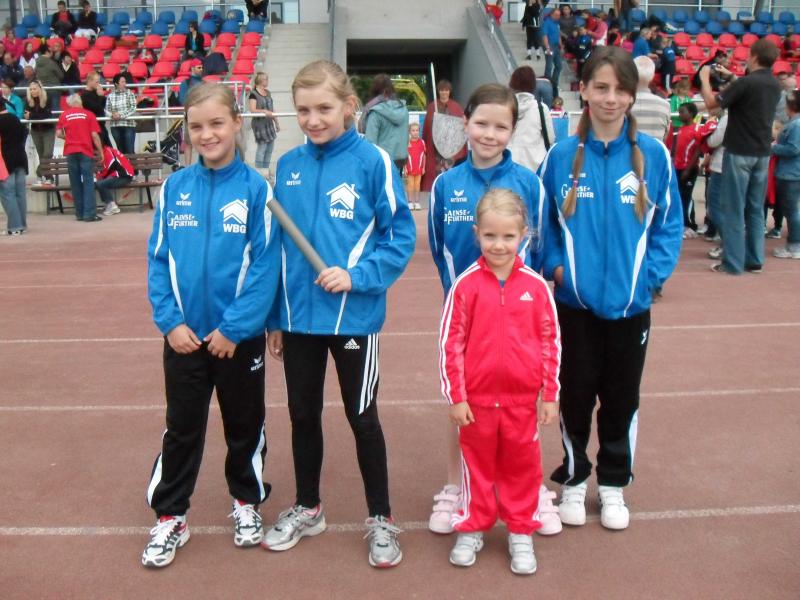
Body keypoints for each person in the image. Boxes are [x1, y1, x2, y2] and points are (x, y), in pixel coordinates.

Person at [262, 60, 415, 569]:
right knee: (302, 415)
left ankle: (381, 517)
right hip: (298, 321)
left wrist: (357, 275)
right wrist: (275, 317)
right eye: (303, 110)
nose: (313, 120)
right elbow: (277, 250)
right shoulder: (289, 165)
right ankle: (308, 508)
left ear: (349, 106)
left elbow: (399, 237)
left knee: (362, 417)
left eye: (324, 108)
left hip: (353, 319)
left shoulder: (373, 162)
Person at [539, 46, 682, 530]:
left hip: (630, 307)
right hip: (573, 307)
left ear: (633, 95)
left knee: (621, 398)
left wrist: (649, 277)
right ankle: (575, 478)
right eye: (600, 87)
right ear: (582, 90)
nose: (610, 98)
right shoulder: (560, 156)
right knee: (574, 396)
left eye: (621, 90)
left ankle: (614, 484)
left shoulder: (654, 156)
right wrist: (558, 270)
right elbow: (544, 226)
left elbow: (669, 225)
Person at [143, 83, 281, 568]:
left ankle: (246, 502)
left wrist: (235, 328)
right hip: (183, 339)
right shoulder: (174, 188)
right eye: (197, 126)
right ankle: (171, 516)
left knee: (244, 426)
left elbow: (265, 266)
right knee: (181, 429)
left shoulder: (257, 190)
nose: (207, 134)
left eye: (217, 123)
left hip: (237, 341)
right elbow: (158, 261)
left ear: (237, 123)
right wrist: (169, 322)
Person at [427, 83, 561, 539]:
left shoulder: (528, 184)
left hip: (518, 317)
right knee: (462, 402)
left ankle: (530, 489)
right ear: (465, 123)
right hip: (467, 316)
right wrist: (458, 299)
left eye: (500, 126)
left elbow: (538, 249)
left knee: (522, 405)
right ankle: (456, 487)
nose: (489, 134)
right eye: (481, 123)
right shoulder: (446, 185)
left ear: (512, 130)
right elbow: (440, 249)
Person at [440, 188, 560, 575]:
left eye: (508, 236)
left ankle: (521, 530)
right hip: (476, 402)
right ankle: (472, 525)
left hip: (522, 402)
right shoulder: (466, 285)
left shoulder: (536, 288)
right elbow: (451, 344)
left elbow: (550, 341)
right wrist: (457, 397)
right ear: (477, 233)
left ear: (523, 235)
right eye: (490, 235)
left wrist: (550, 394)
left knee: (522, 467)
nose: (498, 245)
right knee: (476, 466)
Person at [699, 39, 782, 274]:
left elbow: (712, 104)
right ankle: (754, 259)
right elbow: (749, 92)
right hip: (762, 152)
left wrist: (704, 79)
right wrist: (733, 78)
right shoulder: (774, 84)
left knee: (733, 208)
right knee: (755, 209)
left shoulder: (746, 83)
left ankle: (732, 262)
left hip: (739, 151)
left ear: (753, 56)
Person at [56, 94, 103, 222]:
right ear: (80, 102)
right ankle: (89, 214)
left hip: (70, 151)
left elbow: (59, 134)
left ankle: (79, 213)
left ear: (70, 103)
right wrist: (100, 151)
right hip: (85, 150)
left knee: (75, 183)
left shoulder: (64, 115)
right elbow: (94, 135)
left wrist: (70, 138)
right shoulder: (89, 114)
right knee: (88, 182)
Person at [421, 79, 466, 192]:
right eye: (442, 90)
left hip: (451, 146)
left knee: (450, 172)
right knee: (436, 172)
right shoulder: (432, 107)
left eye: (446, 90)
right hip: (435, 147)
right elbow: (428, 127)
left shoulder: (456, 107)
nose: (444, 92)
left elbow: (460, 128)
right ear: (438, 91)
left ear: (449, 91)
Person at [508, 65, 555, 173]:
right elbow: (550, 138)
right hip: (535, 166)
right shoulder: (541, 108)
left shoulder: (505, 108)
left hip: (509, 165)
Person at [770, 90, 800, 260]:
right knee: (791, 210)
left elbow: (794, 149)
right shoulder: (794, 124)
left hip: (791, 173)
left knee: (791, 210)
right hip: (790, 172)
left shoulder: (796, 125)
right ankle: (794, 243)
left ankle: (795, 245)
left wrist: (773, 147)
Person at [363, 74, 410, 174]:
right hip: (400, 160)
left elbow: (370, 144)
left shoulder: (375, 112)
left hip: (381, 162)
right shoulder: (404, 109)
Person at [0, 97, 29, 236]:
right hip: (21, 158)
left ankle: (14, 226)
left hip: (6, 161)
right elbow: (24, 134)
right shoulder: (16, 119)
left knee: (7, 194)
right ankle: (22, 224)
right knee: (20, 193)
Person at [673, 102, 701, 237]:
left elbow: (697, 151)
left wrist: (688, 169)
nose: (679, 115)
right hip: (678, 167)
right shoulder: (680, 129)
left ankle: (689, 225)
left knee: (687, 196)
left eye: (682, 112)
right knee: (680, 195)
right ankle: (684, 222)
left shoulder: (696, 129)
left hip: (688, 169)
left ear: (691, 113)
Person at [631, 56, 670, 142]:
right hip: (656, 149)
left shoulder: (624, 103)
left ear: (632, 74)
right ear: (652, 76)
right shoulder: (665, 105)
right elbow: (665, 136)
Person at [248, 71, 279, 181]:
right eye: (266, 79)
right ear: (261, 81)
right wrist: (264, 111)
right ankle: (259, 173)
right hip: (259, 125)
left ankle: (265, 171)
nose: (268, 81)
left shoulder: (268, 93)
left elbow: (272, 109)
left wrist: (277, 122)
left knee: (269, 149)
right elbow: (253, 110)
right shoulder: (253, 94)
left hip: (269, 124)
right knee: (262, 149)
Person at [24, 80, 55, 182]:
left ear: (40, 89)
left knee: (48, 154)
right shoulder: (28, 100)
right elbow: (26, 116)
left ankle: (39, 172)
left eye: (35, 89)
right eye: (31, 89)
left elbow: (46, 114)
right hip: (35, 130)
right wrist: (34, 116)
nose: (33, 91)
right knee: (41, 154)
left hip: (48, 129)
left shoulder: (47, 98)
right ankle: (48, 176)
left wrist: (32, 115)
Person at [179, 60, 205, 166]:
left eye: (201, 67)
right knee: (188, 143)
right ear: (192, 69)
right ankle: (188, 168)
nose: (201, 69)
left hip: (203, 118)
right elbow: (183, 100)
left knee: (204, 142)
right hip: (190, 117)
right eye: (199, 67)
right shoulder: (185, 83)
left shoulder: (205, 84)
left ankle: (204, 166)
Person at [95, 144, 133, 216]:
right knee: (100, 183)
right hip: (120, 175)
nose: (96, 156)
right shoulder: (108, 151)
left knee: (101, 184)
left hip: (124, 177)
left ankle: (112, 206)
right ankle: (109, 204)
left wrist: (99, 177)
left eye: (95, 153)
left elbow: (109, 169)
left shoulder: (108, 153)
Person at [105, 73, 137, 154]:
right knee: (120, 151)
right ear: (116, 83)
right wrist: (112, 115)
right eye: (122, 82)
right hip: (115, 126)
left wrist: (121, 115)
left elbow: (133, 108)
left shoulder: (130, 93)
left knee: (130, 151)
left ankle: (132, 162)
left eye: (125, 82)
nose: (124, 84)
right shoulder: (110, 96)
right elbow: (107, 109)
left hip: (128, 125)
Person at [80, 70, 110, 146]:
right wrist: (100, 96)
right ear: (90, 81)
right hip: (93, 127)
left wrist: (102, 96)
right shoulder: (84, 95)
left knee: (109, 149)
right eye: (96, 82)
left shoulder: (96, 92)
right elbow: (96, 108)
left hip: (101, 125)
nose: (98, 84)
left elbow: (103, 105)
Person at [35, 45, 64, 112]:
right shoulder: (51, 62)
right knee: (55, 109)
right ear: (47, 52)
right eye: (51, 51)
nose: (52, 52)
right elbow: (61, 75)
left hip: (42, 88)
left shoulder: (36, 63)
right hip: (54, 88)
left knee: (44, 108)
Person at [541, 9, 563, 97]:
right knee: (549, 65)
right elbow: (544, 36)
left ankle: (554, 82)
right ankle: (547, 83)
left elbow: (558, 35)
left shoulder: (556, 23)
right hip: (550, 45)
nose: (558, 16)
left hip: (556, 46)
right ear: (552, 14)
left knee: (559, 66)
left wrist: (561, 45)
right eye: (557, 15)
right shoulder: (546, 23)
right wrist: (547, 47)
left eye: (559, 15)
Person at [406, 122, 425, 210]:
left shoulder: (422, 142)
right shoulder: (407, 143)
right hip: (410, 168)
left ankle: (417, 202)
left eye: (417, 130)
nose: (415, 132)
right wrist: (405, 168)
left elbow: (424, 155)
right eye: (413, 130)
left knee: (417, 185)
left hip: (419, 168)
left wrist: (423, 167)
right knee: (410, 185)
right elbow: (405, 156)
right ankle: (410, 202)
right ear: (409, 132)